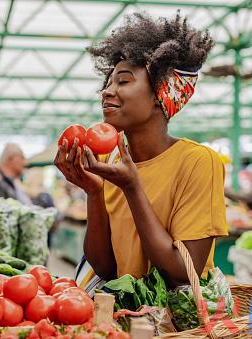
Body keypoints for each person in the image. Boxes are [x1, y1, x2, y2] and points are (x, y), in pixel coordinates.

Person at [54, 13, 227, 288]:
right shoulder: (110, 162)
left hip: (175, 326)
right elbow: (106, 267)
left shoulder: (197, 162)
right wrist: (94, 192)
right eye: (108, 83)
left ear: (162, 93)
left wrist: (132, 187)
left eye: (122, 81)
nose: (106, 92)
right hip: (126, 320)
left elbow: (184, 272)